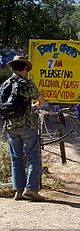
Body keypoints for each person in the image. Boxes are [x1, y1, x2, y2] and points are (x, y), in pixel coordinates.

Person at [2, 55, 47, 201]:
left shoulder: (5, 84)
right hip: (27, 125)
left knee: (16, 158)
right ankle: (31, 189)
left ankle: (18, 190)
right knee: (33, 156)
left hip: (10, 125)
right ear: (25, 69)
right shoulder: (27, 83)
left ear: (12, 68)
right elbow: (41, 101)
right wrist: (33, 106)